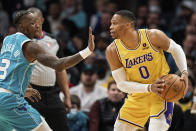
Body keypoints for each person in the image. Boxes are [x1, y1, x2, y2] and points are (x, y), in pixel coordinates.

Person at [0, 10, 95, 131]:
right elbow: (59, 65)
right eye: (32, 23)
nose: (38, 26)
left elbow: (10, 70)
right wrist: (87, 51)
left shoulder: (8, 40)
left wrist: (22, 90)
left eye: (37, 22)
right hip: (11, 101)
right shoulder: (31, 46)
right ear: (22, 26)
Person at [105, 10, 188, 131]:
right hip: (137, 98)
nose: (111, 27)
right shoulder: (112, 50)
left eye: (114, 23)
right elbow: (122, 84)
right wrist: (149, 87)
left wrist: (184, 72)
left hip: (162, 93)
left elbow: (176, 49)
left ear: (128, 24)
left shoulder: (152, 36)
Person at [24, 7, 71, 131]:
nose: (33, 24)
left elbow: (61, 69)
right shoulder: (23, 41)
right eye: (29, 22)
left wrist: (67, 96)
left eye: (35, 21)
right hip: (32, 93)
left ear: (42, 20)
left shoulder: (54, 40)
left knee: (62, 126)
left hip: (52, 94)